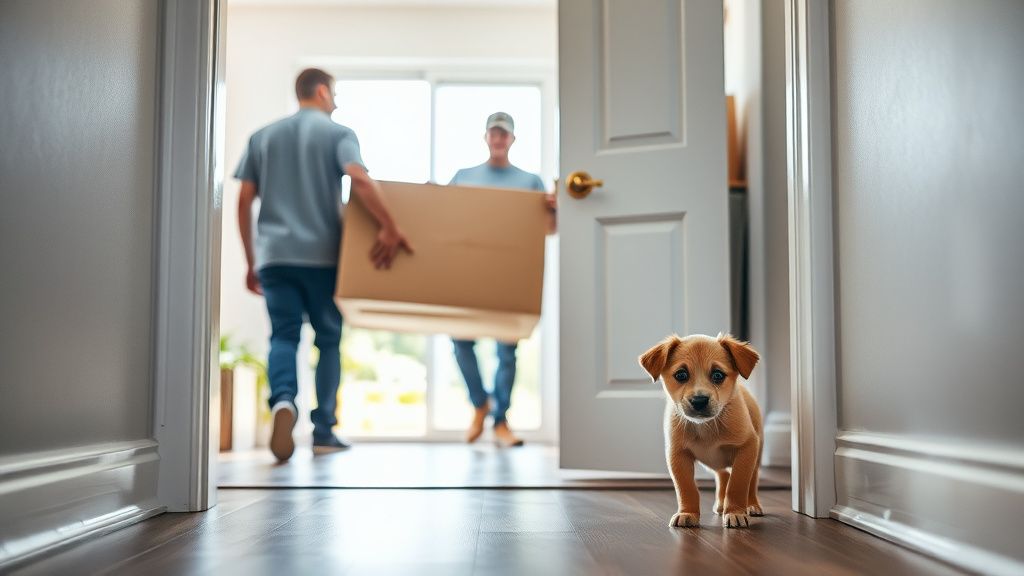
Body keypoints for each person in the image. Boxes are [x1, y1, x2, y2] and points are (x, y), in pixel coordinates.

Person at [234, 68, 411, 462]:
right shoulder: (338, 133)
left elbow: (244, 200)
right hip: (324, 258)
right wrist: (390, 228)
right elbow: (360, 180)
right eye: (334, 94)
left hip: (275, 257)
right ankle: (324, 430)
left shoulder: (262, 137)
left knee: (283, 336)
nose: (336, 102)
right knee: (327, 340)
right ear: (320, 91)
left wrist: (252, 260)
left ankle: (283, 401)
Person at [448, 111, 556, 447]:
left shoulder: (530, 182)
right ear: (486, 138)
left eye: (504, 134)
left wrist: (556, 209)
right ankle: (481, 404)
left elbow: (548, 230)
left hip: (510, 275)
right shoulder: (463, 176)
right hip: (467, 272)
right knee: (461, 341)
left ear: (512, 139)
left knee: (507, 351)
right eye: (493, 133)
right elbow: (444, 220)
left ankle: (500, 422)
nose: (498, 139)